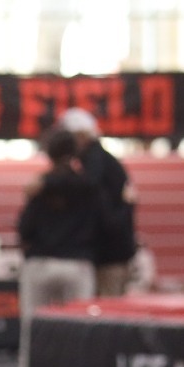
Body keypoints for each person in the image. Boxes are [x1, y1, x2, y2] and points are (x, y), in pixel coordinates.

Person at [16, 128, 102, 367]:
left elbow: (24, 227)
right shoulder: (87, 186)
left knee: (33, 335)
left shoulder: (39, 186)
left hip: (41, 263)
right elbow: (101, 223)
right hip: (77, 263)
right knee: (80, 337)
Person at [59, 108, 138, 296]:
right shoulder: (99, 160)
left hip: (109, 254)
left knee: (107, 311)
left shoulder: (95, 162)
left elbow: (96, 198)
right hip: (113, 250)